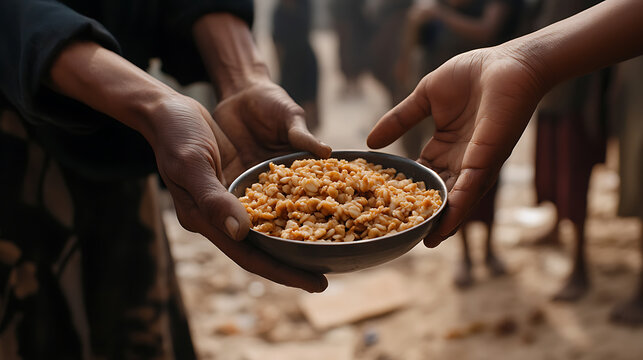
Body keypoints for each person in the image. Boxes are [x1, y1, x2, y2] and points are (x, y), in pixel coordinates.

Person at [0, 0, 329, 357]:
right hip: (13, 160)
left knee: (130, 323)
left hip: (118, 140)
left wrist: (243, 80)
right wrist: (152, 104)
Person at [367, 0, 642, 249]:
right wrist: (523, 60)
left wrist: (522, 60)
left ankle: (491, 248)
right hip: (461, 98)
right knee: (458, 178)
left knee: (478, 179)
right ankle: (471, 254)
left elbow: (489, 29)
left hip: (550, 93)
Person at [272, 0, 321, 131]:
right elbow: (277, 44)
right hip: (289, 64)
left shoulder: (304, 4)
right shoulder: (279, 12)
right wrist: (281, 69)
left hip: (306, 60)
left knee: (310, 112)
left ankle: (309, 145)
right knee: (289, 111)